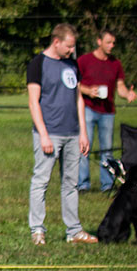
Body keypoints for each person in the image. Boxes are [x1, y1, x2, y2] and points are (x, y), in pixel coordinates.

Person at [27, 23, 97, 245]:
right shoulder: (38, 64)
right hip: (49, 134)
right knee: (41, 181)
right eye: (68, 46)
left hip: (72, 133)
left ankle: (74, 231)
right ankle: (37, 230)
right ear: (56, 42)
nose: (71, 51)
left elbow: (78, 98)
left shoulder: (71, 64)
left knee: (71, 183)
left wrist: (83, 133)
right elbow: (33, 101)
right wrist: (44, 134)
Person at [77, 30, 137, 192]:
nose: (112, 46)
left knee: (107, 149)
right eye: (108, 42)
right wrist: (88, 91)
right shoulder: (84, 61)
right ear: (99, 41)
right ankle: (83, 184)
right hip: (88, 109)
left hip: (108, 112)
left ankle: (107, 184)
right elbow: (74, 84)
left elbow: (120, 87)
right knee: (84, 148)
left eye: (113, 43)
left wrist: (127, 94)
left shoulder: (115, 63)